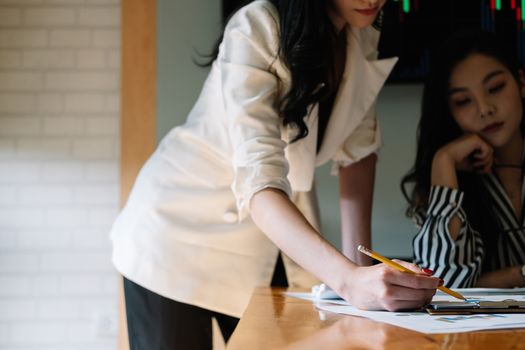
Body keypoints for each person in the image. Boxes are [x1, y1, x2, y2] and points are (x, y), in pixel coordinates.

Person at [111, 0, 441, 348]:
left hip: (268, 241)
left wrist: (363, 274)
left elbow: (357, 154)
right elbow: (260, 182)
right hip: (179, 234)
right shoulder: (257, 25)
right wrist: (348, 281)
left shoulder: (361, 33)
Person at [401, 30, 525, 289]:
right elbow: (440, 285)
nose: (484, 109)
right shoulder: (449, 182)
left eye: (495, 88)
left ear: (522, 83)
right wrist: (443, 161)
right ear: (450, 112)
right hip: (487, 331)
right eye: (463, 101)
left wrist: (498, 278)